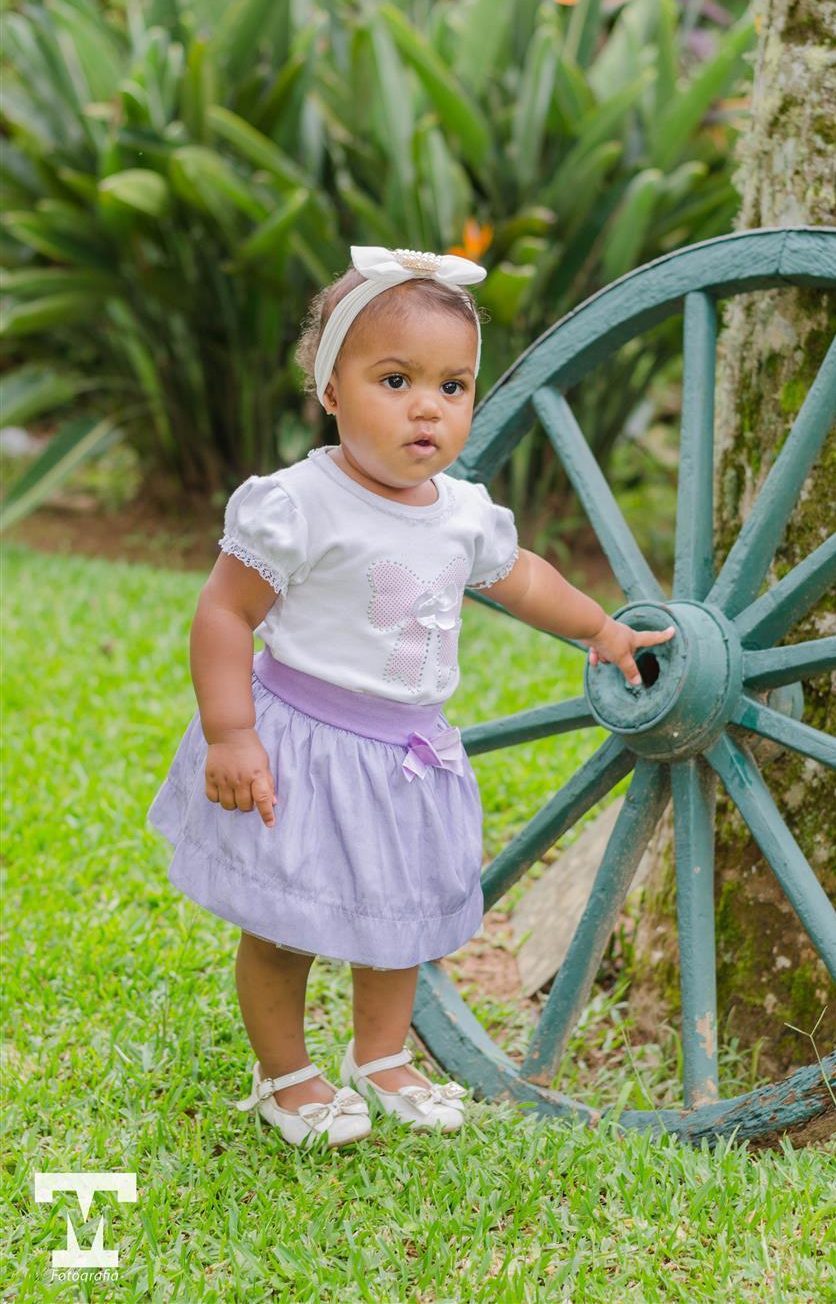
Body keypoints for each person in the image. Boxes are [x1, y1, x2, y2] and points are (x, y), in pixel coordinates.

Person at [146, 244, 676, 1151]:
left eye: (454, 386)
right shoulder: (298, 504)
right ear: (331, 389)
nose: (428, 406)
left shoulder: (461, 512)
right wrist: (232, 734)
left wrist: (600, 629)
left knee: (395, 924)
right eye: (395, 379)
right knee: (285, 926)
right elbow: (226, 615)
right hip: (304, 745)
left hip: (406, 754)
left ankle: (380, 1057)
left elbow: (525, 580)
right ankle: (287, 1075)